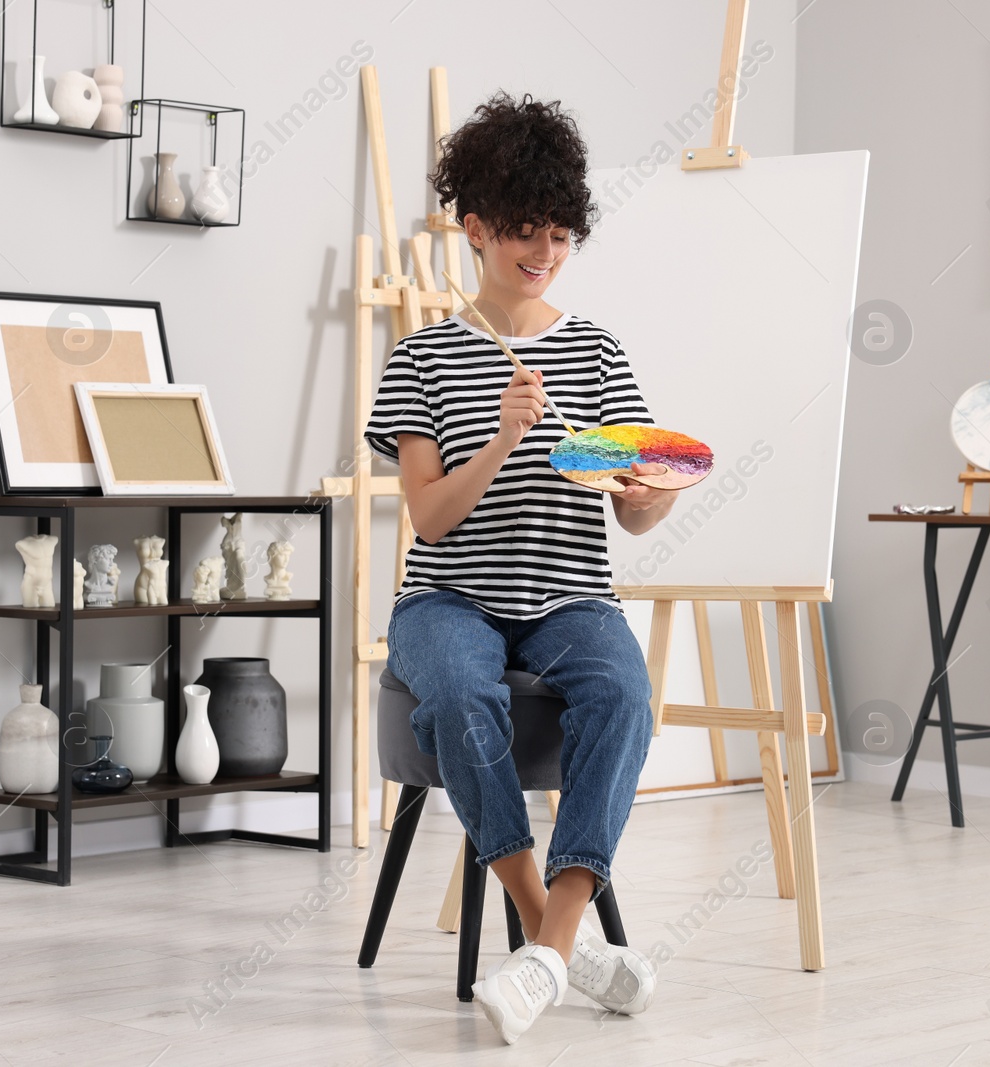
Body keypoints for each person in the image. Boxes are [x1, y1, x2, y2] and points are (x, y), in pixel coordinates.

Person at [363, 92, 684, 1046]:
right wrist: (503, 438)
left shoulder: (595, 350)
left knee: (624, 693)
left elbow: (634, 510)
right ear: (475, 228)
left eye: (558, 234)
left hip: (569, 593)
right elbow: (429, 516)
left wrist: (651, 492)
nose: (542, 253)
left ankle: (548, 945)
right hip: (447, 596)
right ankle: (558, 934)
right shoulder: (419, 358)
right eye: (520, 234)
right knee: (462, 695)